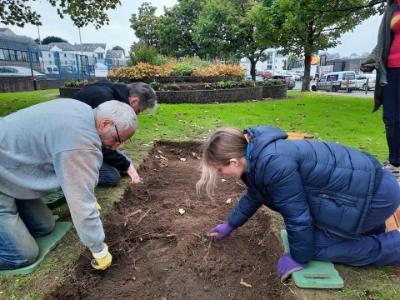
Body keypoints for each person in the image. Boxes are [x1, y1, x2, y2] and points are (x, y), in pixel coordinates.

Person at [197, 126, 400, 282]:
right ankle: (372, 229)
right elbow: (255, 194)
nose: (222, 175)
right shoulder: (257, 155)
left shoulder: (273, 165)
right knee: (311, 237)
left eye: (219, 170)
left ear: (233, 162)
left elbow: (297, 215)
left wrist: (299, 258)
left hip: (373, 196)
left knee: (315, 247)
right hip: (365, 187)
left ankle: (393, 247)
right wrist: (231, 224)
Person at [0, 99, 137, 270]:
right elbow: (81, 205)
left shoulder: (83, 110)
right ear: (105, 123)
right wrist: (99, 250)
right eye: (118, 139)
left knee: (44, 226)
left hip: (11, 167)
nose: (118, 146)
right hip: (4, 171)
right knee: (21, 256)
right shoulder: (80, 143)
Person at [72, 80, 157, 186]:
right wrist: (125, 165)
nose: (136, 115)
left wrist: (125, 164)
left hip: (86, 139)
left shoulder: (113, 91)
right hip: (74, 144)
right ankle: (70, 173)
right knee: (111, 177)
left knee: (126, 162)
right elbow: (100, 143)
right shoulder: (104, 100)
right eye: (138, 111)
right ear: (134, 101)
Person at [361, 0, 400, 175]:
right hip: (391, 70)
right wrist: (370, 60)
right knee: (390, 117)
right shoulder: (392, 7)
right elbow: (382, 42)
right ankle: (395, 161)